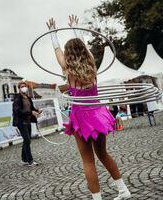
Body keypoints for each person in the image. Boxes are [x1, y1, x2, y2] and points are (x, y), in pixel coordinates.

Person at [46, 15, 131, 200]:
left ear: (69, 54)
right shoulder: (91, 62)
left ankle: (98, 198)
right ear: (84, 50)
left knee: (88, 160)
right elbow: (83, 46)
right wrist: (75, 27)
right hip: (99, 115)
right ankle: (123, 190)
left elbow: (57, 50)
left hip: (81, 118)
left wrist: (53, 32)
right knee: (103, 153)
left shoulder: (67, 68)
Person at [12, 81, 42, 166]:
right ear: (19, 88)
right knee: (27, 140)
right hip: (21, 122)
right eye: (22, 86)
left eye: (25, 86)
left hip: (28, 121)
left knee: (27, 141)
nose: (23, 88)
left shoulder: (28, 97)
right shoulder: (17, 99)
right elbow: (17, 112)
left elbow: (31, 108)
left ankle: (23, 160)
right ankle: (30, 161)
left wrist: (37, 111)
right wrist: (30, 112)